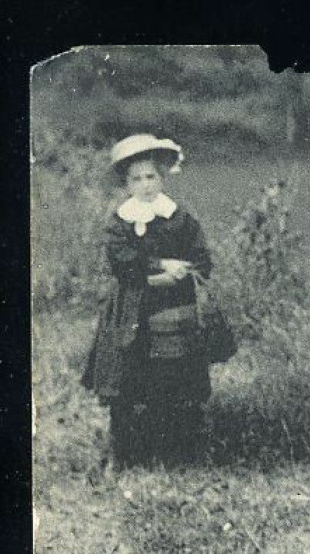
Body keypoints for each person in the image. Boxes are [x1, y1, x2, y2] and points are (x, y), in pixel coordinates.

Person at [82, 134, 215, 467]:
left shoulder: (179, 217)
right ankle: (126, 455)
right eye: (136, 178)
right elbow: (121, 261)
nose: (145, 185)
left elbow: (202, 258)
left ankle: (177, 454)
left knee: (174, 381)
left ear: (162, 177)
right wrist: (159, 267)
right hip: (131, 307)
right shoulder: (120, 221)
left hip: (173, 306)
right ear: (126, 183)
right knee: (127, 380)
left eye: (151, 176)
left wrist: (181, 270)